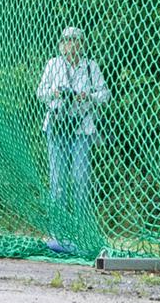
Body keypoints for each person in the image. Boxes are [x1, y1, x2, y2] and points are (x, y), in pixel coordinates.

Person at [36, 27, 109, 226]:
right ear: (61, 44)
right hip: (57, 125)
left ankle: (82, 228)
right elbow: (40, 93)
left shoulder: (90, 67)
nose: (71, 44)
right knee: (57, 180)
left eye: (75, 40)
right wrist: (55, 92)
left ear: (82, 44)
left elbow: (105, 95)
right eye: (67, 40)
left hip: (82, 127)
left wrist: (88, 96)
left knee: (81, 178)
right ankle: (58, 229)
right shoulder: (53, 64)